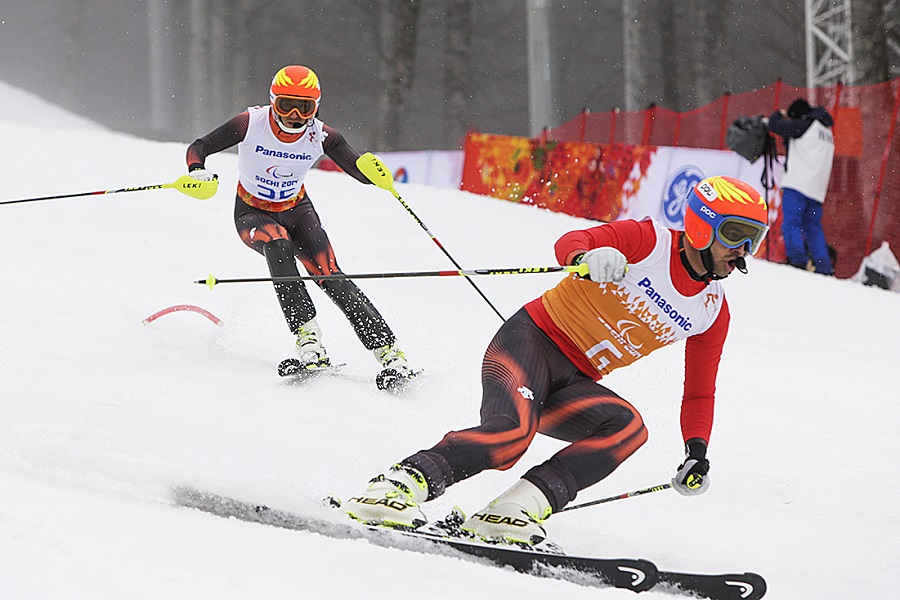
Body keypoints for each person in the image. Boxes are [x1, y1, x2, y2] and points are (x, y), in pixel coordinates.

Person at [340, 176, 768, 549]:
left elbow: (699, 390)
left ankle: (513, 510)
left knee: (628, 428)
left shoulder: (712, 311)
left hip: (572, 380)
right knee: (510, 436)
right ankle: (391, 488)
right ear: (700, 226)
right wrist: (584, 259)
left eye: (756, 238)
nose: (744, 250)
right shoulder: (649, 241)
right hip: (529, 343)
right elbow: (571, 243)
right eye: (735, 234)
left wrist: (696, 450)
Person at [186, 65, 413, 384]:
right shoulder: (251, 122)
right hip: (253, 212)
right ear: (272, 102)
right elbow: (200, 145)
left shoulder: (322, 135)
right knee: (278, 245)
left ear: (316, 107)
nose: (294, 114)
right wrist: (196, 169)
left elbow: (359, 172)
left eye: (304, 107)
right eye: (285, 105)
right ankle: (310, 343)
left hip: (298, 211)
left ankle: (391, 354)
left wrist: (374, 174)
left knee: (330, 275)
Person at [767, 98, 835, 275]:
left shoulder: (805, 125)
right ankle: (824, 267)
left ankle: (797, 261)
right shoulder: (827, 130)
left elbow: (776, 126)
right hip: (817, 189)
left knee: (791, 223)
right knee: (813, 228)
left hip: (797, 184)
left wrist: (778, 115)